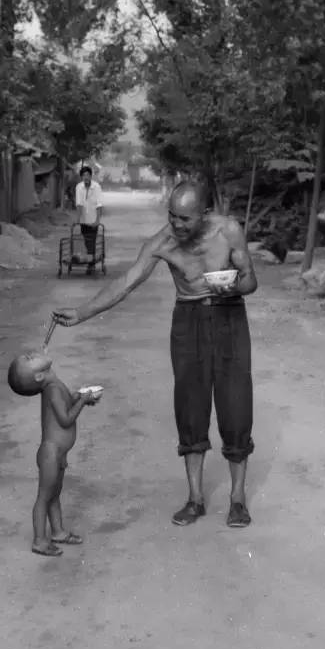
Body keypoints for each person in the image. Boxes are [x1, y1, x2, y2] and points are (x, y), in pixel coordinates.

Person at [52, 181, 258, 529]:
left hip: (229, 318)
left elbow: (251, 279)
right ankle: (195, 498)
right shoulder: (163, 243)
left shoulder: (229, 231)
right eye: (172, 216)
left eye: (185, 219)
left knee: (236, 405)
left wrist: (235, 285)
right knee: (190, 407)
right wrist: (83, 312)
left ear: (204, 215)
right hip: (189, 320)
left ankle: (237, 499)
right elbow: (127, 282)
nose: (177, 225)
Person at [7, 351, 100, 557]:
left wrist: (79, 397)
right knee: (44, 497)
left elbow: (67, 403)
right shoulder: (52, 389)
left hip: (58, 453)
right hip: (51, 453)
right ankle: (39, 540)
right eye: (29, 359)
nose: (31, 354)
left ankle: (58, 532)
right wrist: (83, 402)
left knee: (54, 494)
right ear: (39, 376)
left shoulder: (54, 386)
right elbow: (66, 420)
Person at [75, 165, 103, 273]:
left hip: (93, 219)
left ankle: (91, 265)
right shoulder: (79, 187)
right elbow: (79, 203)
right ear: (81, 177)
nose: (86, 177)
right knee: (87, 241)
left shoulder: (96, 187)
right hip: (83, 220)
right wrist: (78, 219)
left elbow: (99, 204)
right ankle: (91, 263)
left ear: (91, 176)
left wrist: (97, 220)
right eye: (83, 175)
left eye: (87, 175)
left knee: (92, 240)